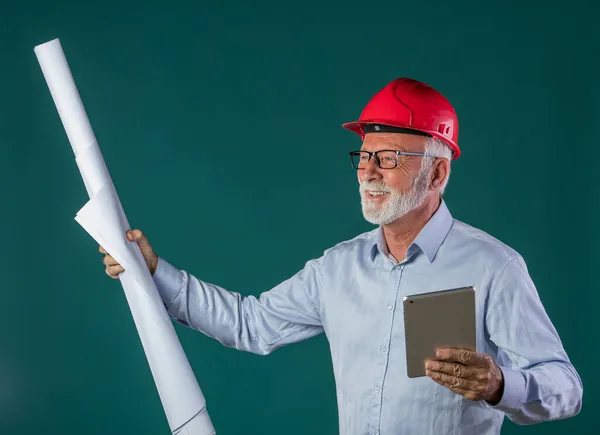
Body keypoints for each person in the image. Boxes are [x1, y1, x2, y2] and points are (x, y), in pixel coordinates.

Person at [99, 78, 583, 435]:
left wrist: (500, 385)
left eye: (388, 157)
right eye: (364, 156)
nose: (367, 171)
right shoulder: (337, 267)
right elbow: (250, 324)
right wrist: (154, 273)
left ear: (437, 175)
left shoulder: (493, 267)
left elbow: (566, 387)